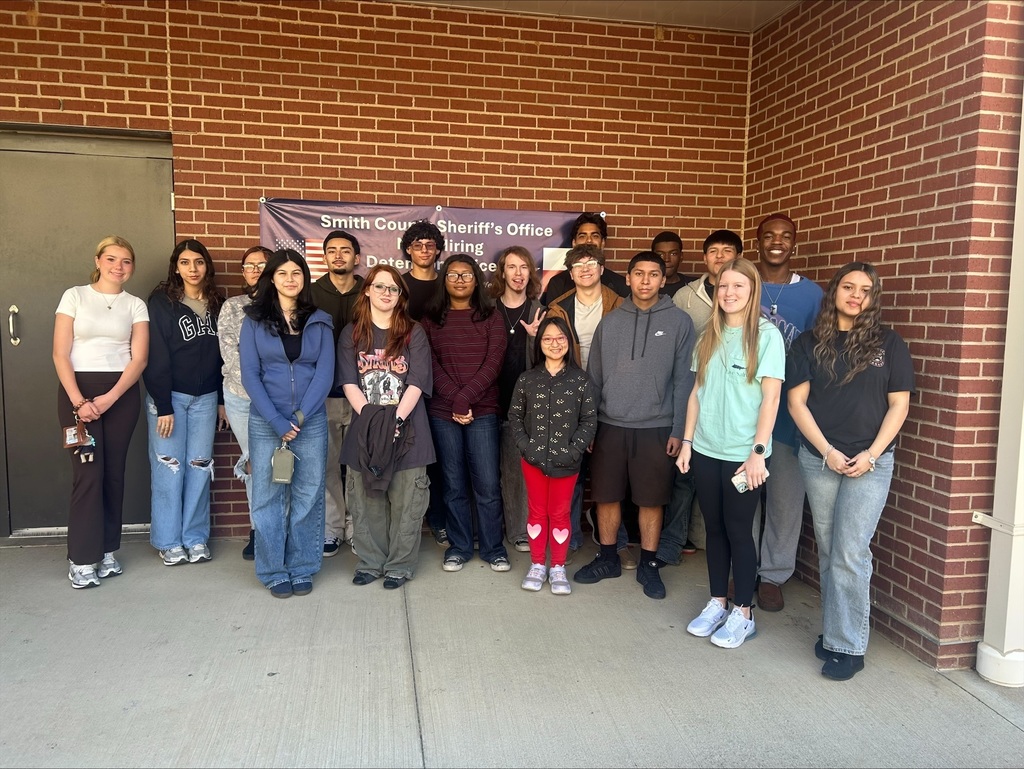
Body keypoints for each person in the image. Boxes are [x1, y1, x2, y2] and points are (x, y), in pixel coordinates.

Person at [787, 262, 914, 680]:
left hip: (870, 463)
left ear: (872, 298)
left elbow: (899, 405)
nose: (855, 295)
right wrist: (826, 451)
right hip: (821, 459)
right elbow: (797, 404)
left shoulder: (889, 343)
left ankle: (849, 646)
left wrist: (872, 454)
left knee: (849, 552)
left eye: (864, 289)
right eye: (848, 287)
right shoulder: (808, 342)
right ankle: (835, 633)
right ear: (834, 292)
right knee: (829, 549)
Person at [676, 257, 785, 649]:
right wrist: (687, 442)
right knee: (715, 529)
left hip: (745, 456)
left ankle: (743, 613)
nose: (729, 293)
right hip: (706, 449)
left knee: (739, 530)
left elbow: (771, 400)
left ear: (752, 291)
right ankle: (718, 601)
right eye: (723, 286)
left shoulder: (767, 337)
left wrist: (758, 453)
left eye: (738, 286)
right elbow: (696, 393)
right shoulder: (709, 334)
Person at [573, 251, 695, 600]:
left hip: (656, 427)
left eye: (653, 274)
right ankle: (608, 557)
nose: (645, 281)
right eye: (638, 274)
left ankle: (649, 564)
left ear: (662, 278)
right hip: (610, 423)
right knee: (607, 495)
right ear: (627, 278)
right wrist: (590, 425)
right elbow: (593, 379)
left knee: (651, 499)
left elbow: (684, 381)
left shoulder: (680, 322)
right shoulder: (610, 323)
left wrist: (678, 429)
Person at [53, 235, 149, 588]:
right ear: (98, 261)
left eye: (126, 261)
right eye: (111, 259)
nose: (118, 267)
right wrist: (80, 401)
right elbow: (60, 354)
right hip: (77, 392)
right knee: (88, 473)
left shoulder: (135, 305)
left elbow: (138, 359)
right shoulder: (75, 296)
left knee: (113, 474)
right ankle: (81, 558)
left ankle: (107, 551)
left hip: (120, 394)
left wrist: (109, 398)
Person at [240, 249, 334, 598]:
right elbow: (250, 374)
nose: (290, 279)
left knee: (308, 494)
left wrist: (299, 417)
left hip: (310, 419)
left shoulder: (320, 319)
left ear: (304, 279)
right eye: (283, 273)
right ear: (272, 279)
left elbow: (324, 373)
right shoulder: (254, 320)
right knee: (268, 496)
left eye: (297, 273)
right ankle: (272, 569)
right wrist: (278, 421)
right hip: (267, 419)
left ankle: (303, 566)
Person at [338, 265, 434, 589]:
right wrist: (371, 421)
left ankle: (399, 565)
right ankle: (369, 562)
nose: (386, 293)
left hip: (409, 429)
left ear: (400, 296)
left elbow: (417, 381)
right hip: (364, 428)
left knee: (408, 500)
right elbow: (349, 381)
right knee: (366, 501)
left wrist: (395, 420)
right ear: (367, 290)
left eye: (393, 289)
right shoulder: (352, 333)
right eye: (379, 287)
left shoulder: (413, 332)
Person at [659, 229, 745, 566]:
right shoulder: (684, 296)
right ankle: (674, 541)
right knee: (684, 474)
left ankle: (720, 545)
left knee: (727, 480)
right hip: (692, 392)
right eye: (713, 251)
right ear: (704, 257)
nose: (720, 257)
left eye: (727, 251)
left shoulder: (748, 294)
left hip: (734, 399)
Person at [754, 213, 825, 612]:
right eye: (769, 236)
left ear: (794, 244)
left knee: (784, 499)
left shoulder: (812, 295)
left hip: (790, 415)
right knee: (743, 496)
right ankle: (743, 566)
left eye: (785, 237)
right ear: (758, 241)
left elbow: (821, 350)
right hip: (745, 412)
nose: (776, 242)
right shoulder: (743, 285)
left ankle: (774, 574)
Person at [421, 254, 509, 573]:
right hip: (443, 412)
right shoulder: (431, 319)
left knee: (486, 483)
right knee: (454, 484)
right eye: (453, 275)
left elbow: (494, 362)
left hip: (482, 410)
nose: (460, 280)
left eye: (466, 275)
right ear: (444, 280)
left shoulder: (492, 316)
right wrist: (457, 400)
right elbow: (428, 363)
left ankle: (493, 548)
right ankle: (459, 546)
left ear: (477, 280)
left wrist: (467, 399)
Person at [545, 243, 630, 565]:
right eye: (578, 265)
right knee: (571, 471)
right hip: (571, 397)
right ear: (570, 273)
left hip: (613, 394)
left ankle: (616, 539)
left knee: (611, 472)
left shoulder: (621, 305)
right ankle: (569, 538)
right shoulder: (558, 307)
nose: (585, 269)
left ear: (602, 268)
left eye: (591, 263)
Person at [144, 238, 226, 567]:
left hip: (206, 398)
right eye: (185, 262)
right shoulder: (161, 302)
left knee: (199, 468)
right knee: (168, 468)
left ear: (207, 266)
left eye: (199, 262)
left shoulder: (217, 303)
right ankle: (168, 541)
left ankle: (194, 538)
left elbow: (225, 358)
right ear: (175, 267)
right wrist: (163, 404)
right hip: (170, 398)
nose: (192, 269)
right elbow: (155, 356)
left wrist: (221, 400)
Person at [508, 316, 597, 595]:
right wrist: (526, 446)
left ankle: (557, 566)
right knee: (536, 512)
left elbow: (589, 421)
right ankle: (537, 564)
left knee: (559, 515)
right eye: (547, 338)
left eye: (560, 338)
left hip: (566, 462)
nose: (554, 343)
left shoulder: (580, 380)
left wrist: (573, 451)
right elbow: (515, 416)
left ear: (568, 343)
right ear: (539, 343)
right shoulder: (528, 379)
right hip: (533, 460)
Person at [311, 230, 365, 558]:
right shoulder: (311, 292)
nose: (339, 256)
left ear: (356, 257)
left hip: (363, 395)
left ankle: (357, 527)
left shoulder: (369, 292)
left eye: (346, 251)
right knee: (328, 465)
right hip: (324, 395)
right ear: (326, 257)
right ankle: (332, 528)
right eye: (332, 251)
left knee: (358, 466)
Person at [489, 246, 545, 553]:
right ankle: (485, 530)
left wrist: (535, 337)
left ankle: (520, 531)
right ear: (502, 272)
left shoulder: (539, 309)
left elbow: (550, 360)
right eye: (512, 267)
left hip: (521, 405)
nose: (518, 273)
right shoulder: (487, 308)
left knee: (516, 473)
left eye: (524, 267)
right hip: (487, 400)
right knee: (485, 472)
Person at [219, 245, 273, 560]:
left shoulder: (282, 305)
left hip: (278, 400)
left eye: (261, 264)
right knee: (254, 463)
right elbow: (231, 352)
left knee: (278, 463)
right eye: (248, 265)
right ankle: (258, 529)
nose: (254, 270)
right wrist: (259, 388)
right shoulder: (233, 306)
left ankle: (279, 527)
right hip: (240, 397)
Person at [400, 220, 449, 547]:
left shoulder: (448, 284)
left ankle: (440, 521)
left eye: (430, 244)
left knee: (441, 457)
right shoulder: (399, 286)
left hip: (444, 379)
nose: (424, 250)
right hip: (403, 381)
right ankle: (407, 523)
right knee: (409, 455)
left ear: (438, 250)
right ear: (408, 250)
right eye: (418, 244)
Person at [541, 213, 628, 303]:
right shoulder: (558, 284)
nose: (589, 240)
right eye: (583, 236)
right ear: (574, 243)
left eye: (595, 236)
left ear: (602, 243)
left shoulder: (620, 285)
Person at [651, 231, 695, 296]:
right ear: (652, 257)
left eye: (673, 254)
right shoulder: (643, 287)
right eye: (660, 255)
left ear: (681, 256)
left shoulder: (694, 286)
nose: (666, 259)